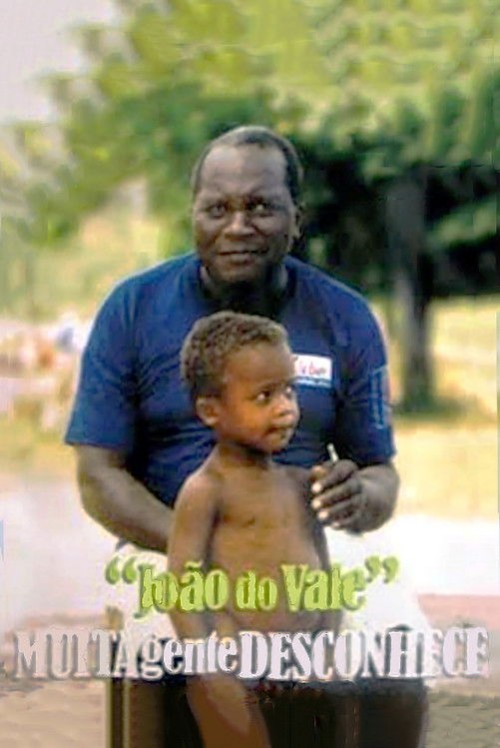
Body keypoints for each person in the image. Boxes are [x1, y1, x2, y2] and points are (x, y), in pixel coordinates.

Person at [66, 125, 426, 747]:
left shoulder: (344, 317)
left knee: (399, 642)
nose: (237, 226)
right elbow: (98, 475)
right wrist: (210, 548)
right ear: (194, 215)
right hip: (166, 544)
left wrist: (361, 495)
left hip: (312, 547)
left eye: (260, 207)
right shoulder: (133, 309)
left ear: (296, 219)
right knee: (159, 647)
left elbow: (379, 472)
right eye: (218, 208)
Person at [171, 310, 340, 747]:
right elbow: (182, 587)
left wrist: (328, 644)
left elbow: (324, 573)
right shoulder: (206, 490)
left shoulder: (299, 484)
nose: (286, 408)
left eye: (290, 390)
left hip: (303, 664)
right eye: (265, 396)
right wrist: (209, 670)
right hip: (236, 669)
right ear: (211, 410)